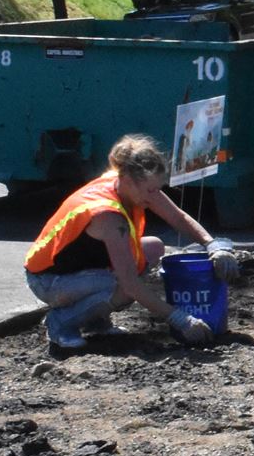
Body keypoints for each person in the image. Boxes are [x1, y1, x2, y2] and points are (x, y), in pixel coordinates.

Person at [24, 134, 220, 354]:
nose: (154, 196)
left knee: (153, 247)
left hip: (81, 270)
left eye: (158, 188)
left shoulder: (130, 185)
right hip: (48, 280)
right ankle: (61, 323)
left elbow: (178, 218)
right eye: (150, 190)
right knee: (124, 287)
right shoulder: (107, 215)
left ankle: (95, 321)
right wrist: (181, 319)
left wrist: (212, 244)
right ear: (127, 178)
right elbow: (131, 285)